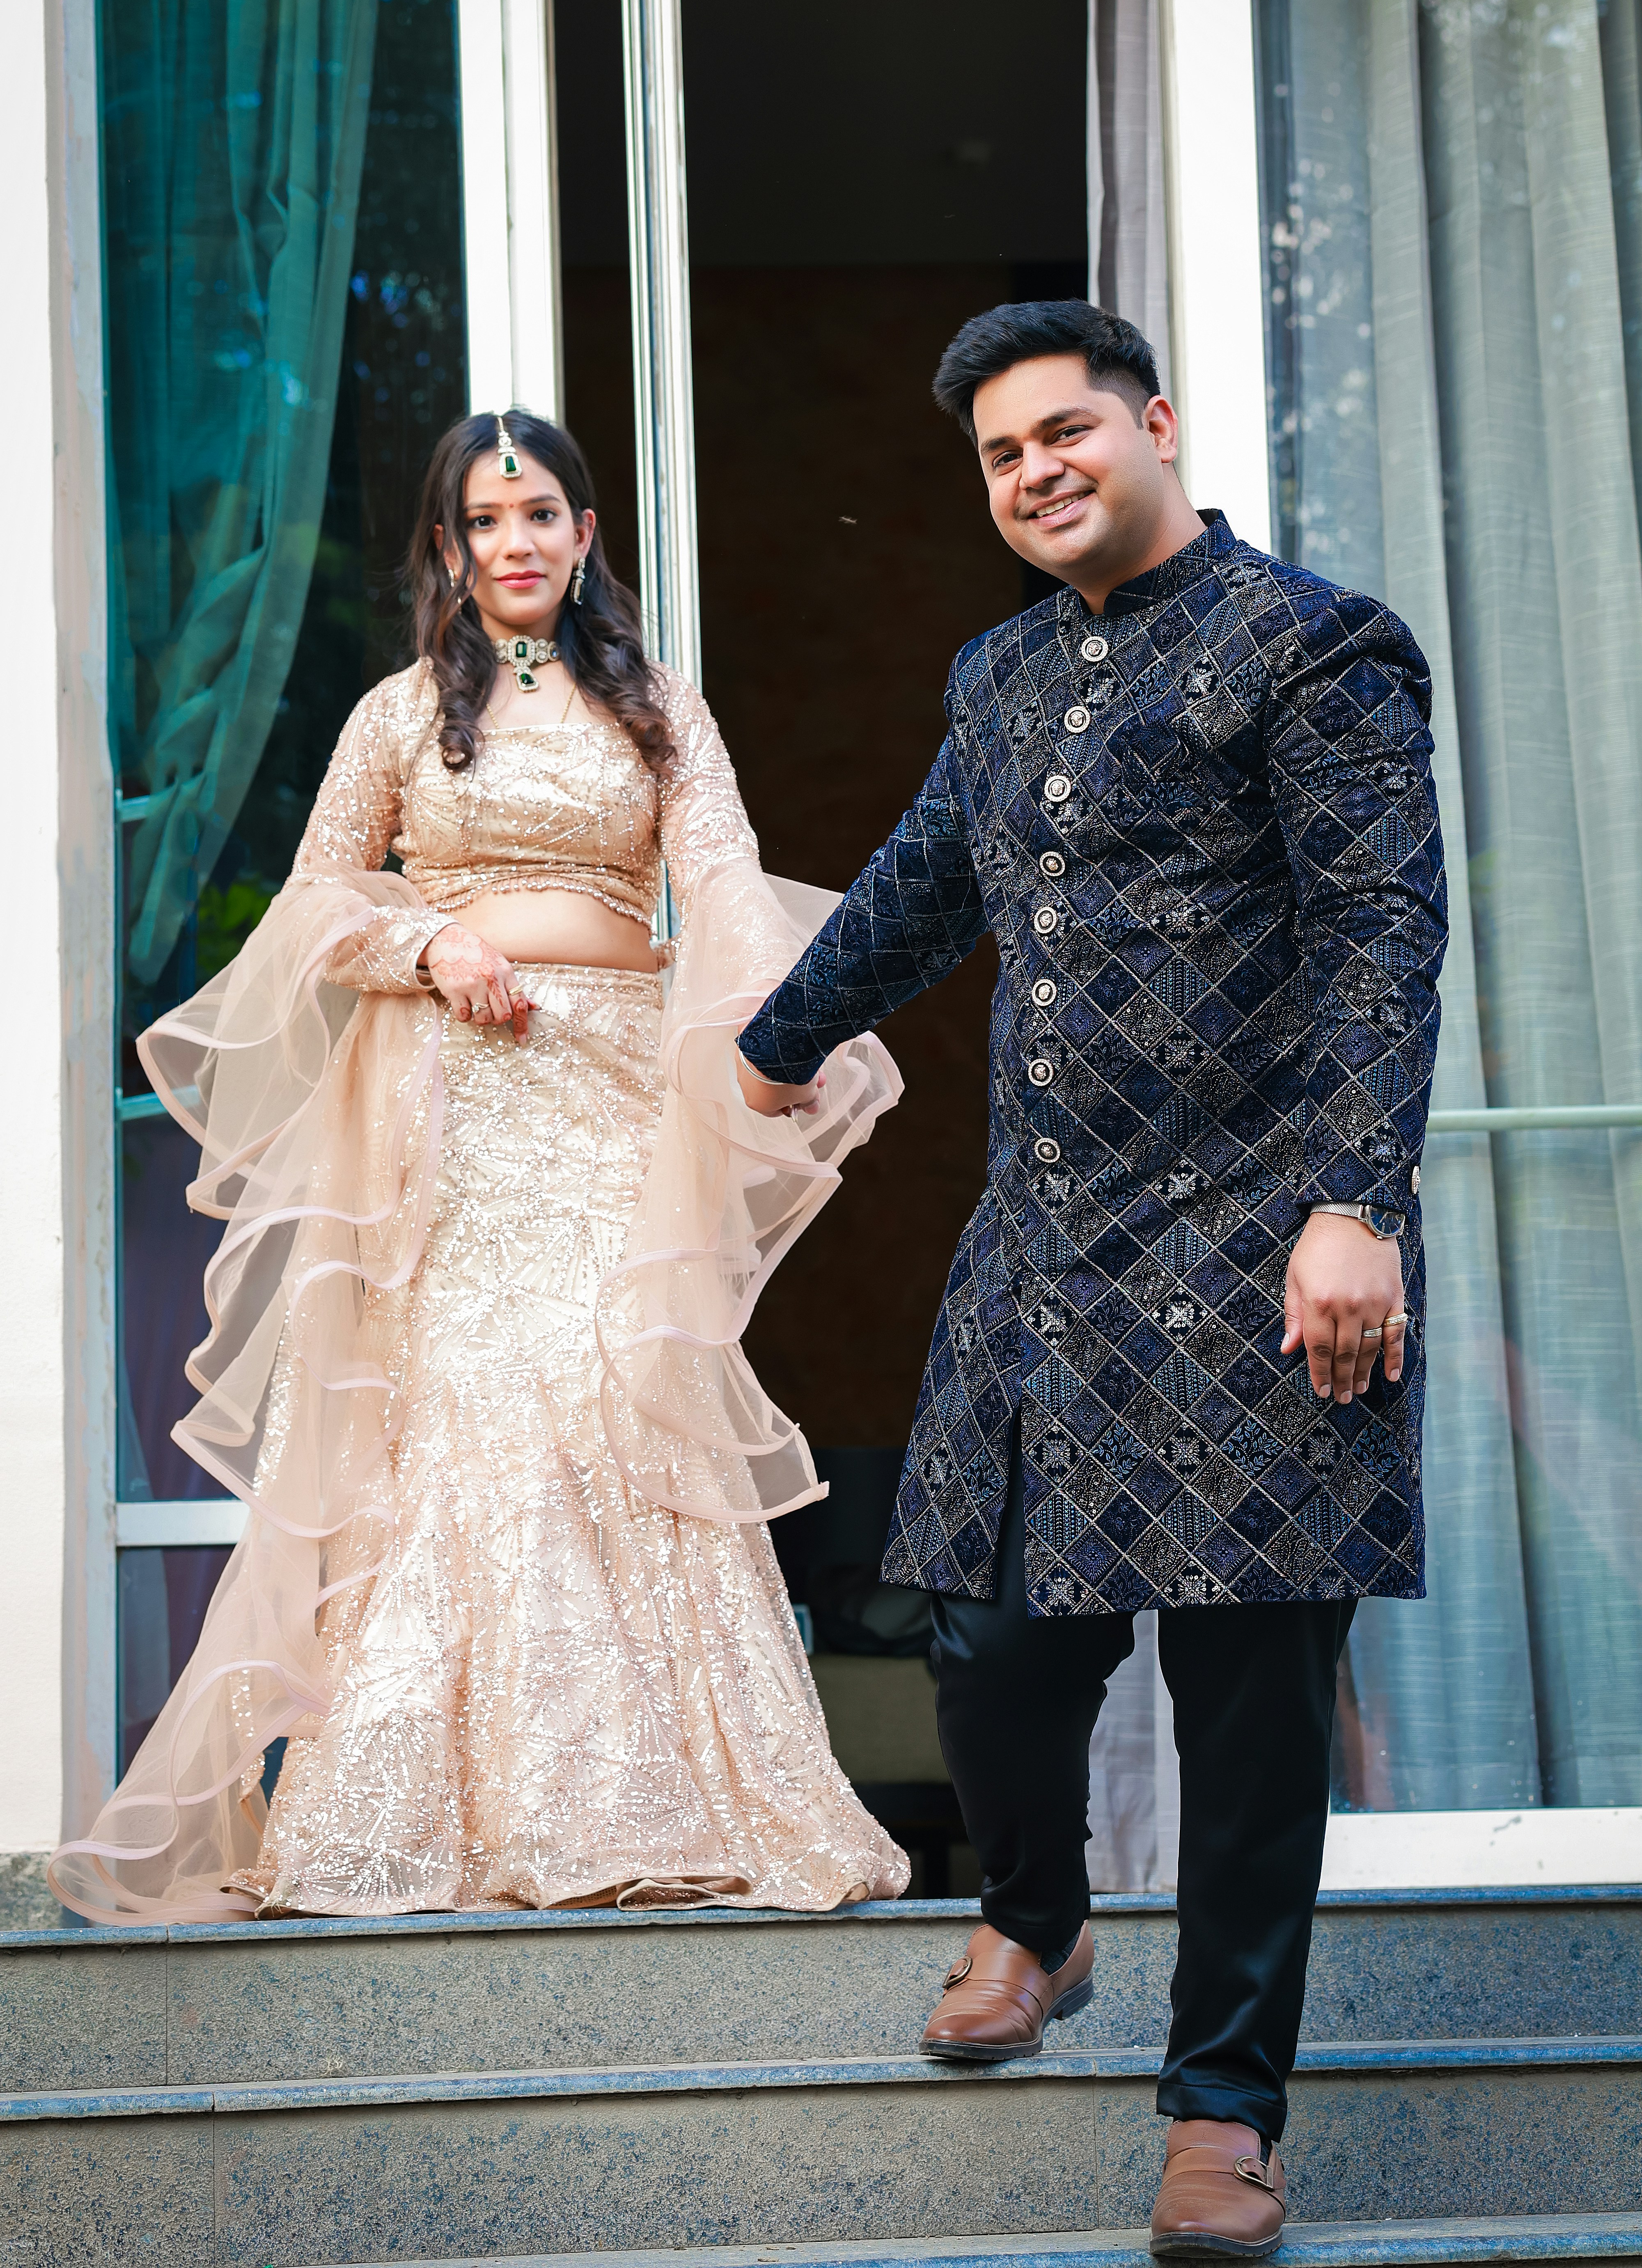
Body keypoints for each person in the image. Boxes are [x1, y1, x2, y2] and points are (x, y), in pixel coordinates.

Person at [735, 303, 1446, 2258]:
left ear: (1152, 425)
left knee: (1247, 1706)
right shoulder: (998, 677)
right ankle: (1036, 1922)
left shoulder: (1314, 649)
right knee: (984, 1634)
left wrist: (1353, 1206)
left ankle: (1223, 2114)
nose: (1034, 472)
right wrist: (773, 1039)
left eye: (1063, 433)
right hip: (1046, 1252)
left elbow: (1386, 942)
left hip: (1265, 1245)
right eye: (998, 456)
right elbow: (924, 880)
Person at [53, 410, 906, 1924]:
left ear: (584, 537)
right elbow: (313, 904)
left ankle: (659, 1799)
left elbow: (718, 878)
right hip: (453, 1103)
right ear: (449, 549)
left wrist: (785, 1033)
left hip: (617, 1095)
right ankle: (421, 1817)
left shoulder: (659, 711)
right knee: (470, 1413)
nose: (514, 544)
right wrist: (430, 940)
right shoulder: (396, 718)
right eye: (482, 522)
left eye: (542, 515)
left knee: (616, 1398)